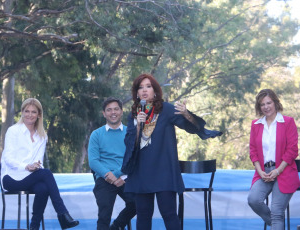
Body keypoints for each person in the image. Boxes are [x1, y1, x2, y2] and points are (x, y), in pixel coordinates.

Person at [122, 73, 222, 230]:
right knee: (143, 215)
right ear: (136, 93)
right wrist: (138, 126)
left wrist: (186, 114)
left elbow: (193, 128)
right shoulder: (134, 114)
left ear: (155, 91)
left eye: (148, 86)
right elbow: (129, 144)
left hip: (163, 171)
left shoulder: (166, 109)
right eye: (140, 88)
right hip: (141, 171)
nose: (144, 90)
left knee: (169, 214)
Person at [0, 98, 79, 230]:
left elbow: (39, 161)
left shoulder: (42, 136)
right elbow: (8, 158)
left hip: (30, 177)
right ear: (22, 112)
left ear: (39, 115)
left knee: (43, 188)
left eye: (33, 112)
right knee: (46, 173)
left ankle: (34, 227)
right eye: (27, 111)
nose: (30, 115)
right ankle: (63, 214)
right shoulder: (13, 131)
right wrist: (26, 166)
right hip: (11, 177)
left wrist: (35, 166)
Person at [247, 89, 300, 229]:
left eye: (269, 103)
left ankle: (277, 222)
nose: (266, 107)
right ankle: (277, 224)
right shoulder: (256, 124)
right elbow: (253, 151)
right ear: (259, 107)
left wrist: (278, 170)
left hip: (284, 171)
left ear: (275, 103)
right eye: (262, 104)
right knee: (253, 200)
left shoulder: (287, 122)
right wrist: (260, 171)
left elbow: (293, 150)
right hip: (263, 172)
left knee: (277, 212)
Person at [88, 97, 136, 230]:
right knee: (104, 213)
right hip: (104, 178)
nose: (113, 112)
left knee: (138, 202)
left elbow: (133, 158)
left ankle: (116, 227)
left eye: (116, 109)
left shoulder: (130, 133)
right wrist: (108, 175)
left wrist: (119, 175)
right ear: (104, 113)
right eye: (109, 110)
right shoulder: (96, 134)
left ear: (121, 111)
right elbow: (93, 161)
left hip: (125, 177)